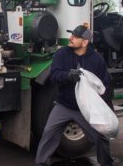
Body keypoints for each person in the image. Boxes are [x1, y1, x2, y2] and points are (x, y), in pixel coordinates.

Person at [35, 25, 114, 166]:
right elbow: (54, 75)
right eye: (71, 35)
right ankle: (41, 163)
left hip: (85, 110)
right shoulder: (62, 54)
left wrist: (107, 110)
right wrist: (68, 75)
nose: (70, 38)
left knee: (100, 137)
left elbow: (105, 86)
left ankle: (106, 163)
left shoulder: (97, 60)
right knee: (49, 132)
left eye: (75, 36)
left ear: (85, 42)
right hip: (64, 105)